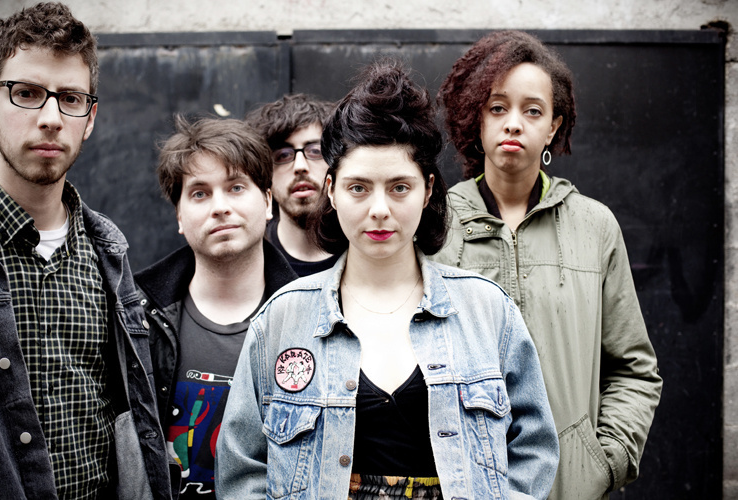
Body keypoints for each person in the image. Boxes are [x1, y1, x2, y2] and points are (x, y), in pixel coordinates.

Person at [215, 60, 559, 500]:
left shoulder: (487, 310)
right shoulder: (283, 319)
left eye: (399, 187)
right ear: (332, 190)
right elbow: (241, 467)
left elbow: (534, 447)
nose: (379, 209)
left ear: (427, 190)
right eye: (359, 188)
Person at [433, 30, 663, 499]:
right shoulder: (434, 224)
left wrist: (605, 461)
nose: (513, 124)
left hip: (569, 487)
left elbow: (633, 369)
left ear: (554, 127)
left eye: (532, 111)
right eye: (498, 108)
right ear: (477, 117)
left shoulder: (594, 226)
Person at [0, 3, 172, 499]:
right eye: (27, 93)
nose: (51, 118)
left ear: (89, 119)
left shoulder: (108, 253)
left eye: (70, 98)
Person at [135, 115, 297, 499]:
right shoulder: (137, 317)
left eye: (236, 187)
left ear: (268, 202)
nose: (220, 207)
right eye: (199, 194)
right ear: (179, 216)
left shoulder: (310, 316)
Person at [246, 94, 340, 276]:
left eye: (315, 151)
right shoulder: (250, 261)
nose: (300, 166)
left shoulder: (363, 252)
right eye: (283, 155)